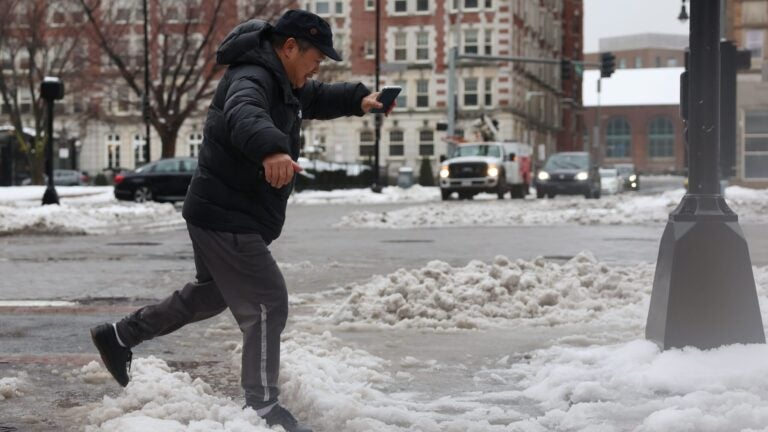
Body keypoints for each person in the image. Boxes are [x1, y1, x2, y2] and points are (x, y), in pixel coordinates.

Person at [89, 9, 390, 432]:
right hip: (226, 216)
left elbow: (316, 97)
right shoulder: (252, 78)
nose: (318, 65)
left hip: (221, 210)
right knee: (268, 302)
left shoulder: (282, 79)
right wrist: (271, 149)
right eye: (315, 56)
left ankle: (120, 336)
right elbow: (244, 113)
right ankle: (263, 407)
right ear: (289, 47)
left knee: (210, 296)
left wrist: (359, 98)